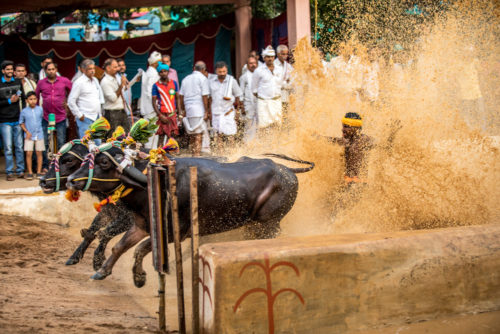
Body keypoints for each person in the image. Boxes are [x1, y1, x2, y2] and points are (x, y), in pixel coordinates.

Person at [324, 112, 374, 186]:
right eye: (343, 126)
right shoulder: (346, 141)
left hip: (359, 185)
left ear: (355, 128)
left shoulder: (365, 140)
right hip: (348, 184)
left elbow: (384, 145)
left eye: (346, 126)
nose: (342, 129)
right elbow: (331, 140)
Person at [35, 62, 72, 156]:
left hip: (60, 116)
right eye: (49, 69)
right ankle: (46, 166)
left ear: (56, 70)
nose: (51, 71)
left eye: (53, 69)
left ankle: (60, 165)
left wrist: (68, 102)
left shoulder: (64, 81)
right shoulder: (41, 83)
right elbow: (36, 97)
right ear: (45, 71)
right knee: (45, 142)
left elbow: (73, 92)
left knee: (61, 141)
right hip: (45, 116)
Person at [208, 61, 242, 150]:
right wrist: (209, 112)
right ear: (216, 71)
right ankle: (220, 153)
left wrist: (237, 111)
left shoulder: (232, 81)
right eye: (220, 72)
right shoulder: (211, 82)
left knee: (230, 134)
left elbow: (238, 95)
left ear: (227, 71)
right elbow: (209, 98)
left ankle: (232, 153)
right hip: (216, 112)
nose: (222, 74)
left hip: (228, 112)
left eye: (224, 71)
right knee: (218, 134)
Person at [0, 60, 25, 180]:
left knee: (19, 147)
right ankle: (9, 172)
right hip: (4, 120)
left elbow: (24, 99)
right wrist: (10, 101)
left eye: (11, 69)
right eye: (8, 69)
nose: (10, 71)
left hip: (17, 119)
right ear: (3, 71)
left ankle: (20, 170)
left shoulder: (18, 82)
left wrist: (24, 117)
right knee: (8, 147)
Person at [179, 61, 210, 156]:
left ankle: (193, 154)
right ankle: (196, 155)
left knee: (192, 133)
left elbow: (181, 97)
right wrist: (206, 111)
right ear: (204, 70)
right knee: (198, 134)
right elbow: (204, 96)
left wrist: (183, 110)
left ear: (194, 68)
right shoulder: (203, 78)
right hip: (198, 109)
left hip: (188, 109)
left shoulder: (185, 79)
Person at [68, 59, 105, 139]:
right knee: (87, 143)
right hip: (86, 117)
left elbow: (98, 98)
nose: (92, 71)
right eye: (90, 69)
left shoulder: (95, 80)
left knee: (98, 143)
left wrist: (100, 115)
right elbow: (71, 101)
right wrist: (79, 115)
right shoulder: (79, 82)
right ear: (84, 70)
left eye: (93, 68)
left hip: (96, 117)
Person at [251, 46, 283, 132]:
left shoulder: (279, 69)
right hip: (263, 103)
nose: (270, 59)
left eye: (272, 56)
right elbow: (254, 89)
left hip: (277, 101)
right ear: (264, 58)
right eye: (268, 57)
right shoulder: (258, 71)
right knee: (263, 126)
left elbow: (282, 84)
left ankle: (276, 144)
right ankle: (263, 144)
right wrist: (264, 97)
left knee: (277, 125)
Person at [152, 62, 180, 146]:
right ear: (159, 73)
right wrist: (160, 115)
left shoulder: (174, 83)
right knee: (161, 136)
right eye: (161, 72)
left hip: (172, 113)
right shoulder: (156, 85)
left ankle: (168, 157)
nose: (163, 73)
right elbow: (153, 102)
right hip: (162, 114)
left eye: (165, 71)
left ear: (168, 72)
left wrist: (180, 112)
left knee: (171, 136)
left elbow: (177, 98)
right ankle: (159, 156)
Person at [19, 92, 44, 180]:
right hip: (28, 135)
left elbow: (43, 119)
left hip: (39, 134)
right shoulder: (24, 111)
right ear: (27, 101)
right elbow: (21, 122)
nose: (33, 101)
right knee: (29, 153)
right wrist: (26, 131)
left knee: (39, 153)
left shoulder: (40, 109)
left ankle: (38, 172)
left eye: (34, 99)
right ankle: (30, 172)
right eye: (30, 99)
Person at [100, 58, 129, 133]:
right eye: (115, 67)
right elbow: (113, 98)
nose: (118, 69)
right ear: (108, 68)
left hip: (121, 110)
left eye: (117, 67)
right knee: (113, 137)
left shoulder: (116, 78)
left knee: (126, 135)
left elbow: (122, 91)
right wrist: (121, 85)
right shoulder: (105, 81)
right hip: (112, 113)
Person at [239, 56, 259, 142]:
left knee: (259, 124)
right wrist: (242, 106)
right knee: (249, 125)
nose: (253, 65)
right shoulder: (244, 77)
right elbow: (241, 93)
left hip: (259, 104)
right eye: (251, 63)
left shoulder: (260, 75)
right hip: (248, 104)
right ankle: (248, 144)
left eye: (254, 63)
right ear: (247, 65)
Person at [140, 51, 161, 121]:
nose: (161, 64)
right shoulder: (152, 75)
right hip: (151, 109)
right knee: (152, 130)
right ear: (155, 63)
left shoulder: (150, 73)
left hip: (150, 108)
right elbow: (150, 93)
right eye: (159, 62)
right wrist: (157, 106)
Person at [274, 44, 293, 117]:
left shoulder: (288, 66)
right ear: (278, 54)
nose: (285, 56)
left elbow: (292, 80)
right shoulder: (273, 65)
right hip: (276, 97)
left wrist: (285, 83)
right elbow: (275, 82)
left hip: (286, 97)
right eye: (283, 54)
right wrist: (285, 82)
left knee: (286, 117)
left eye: (286, 54)